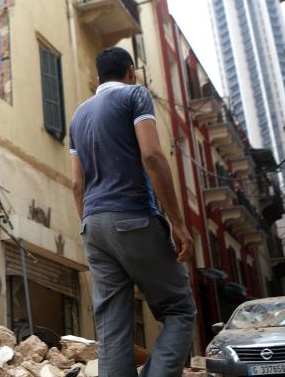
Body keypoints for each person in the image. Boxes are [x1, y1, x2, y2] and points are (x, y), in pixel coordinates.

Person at [70, 46, 195, 377]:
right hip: (133, 215)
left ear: (98, 78)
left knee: (112, 329)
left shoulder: (78, 116)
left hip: (93, 225)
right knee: (179, 309)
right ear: (131, 72)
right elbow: (152, 156)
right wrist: (179, 225)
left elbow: (76, 185)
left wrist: (89, 228)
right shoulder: (135, 96)